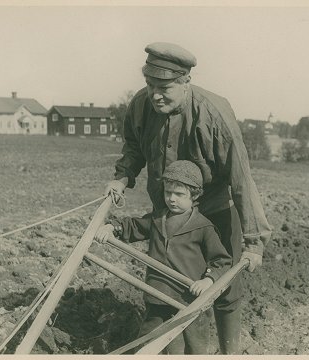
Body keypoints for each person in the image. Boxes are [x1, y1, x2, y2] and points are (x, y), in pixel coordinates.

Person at [104, 42, 272, 354]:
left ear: (185, 82)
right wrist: (123, 175)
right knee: (168, 286)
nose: (155, 94)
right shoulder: (141, 105)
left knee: (225, 288)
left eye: (164, 87)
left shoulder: (213, 115)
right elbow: (133, 146)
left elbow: (241, 178)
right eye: (150, 85)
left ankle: (229, 351)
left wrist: (254, 242)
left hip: (215, 209)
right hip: (168, 210)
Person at [96, 160, 232, 354]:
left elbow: (221, 260)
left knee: (194, 348)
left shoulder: (203, 227)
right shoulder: (157, 219)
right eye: (168, 192)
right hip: (157, 296)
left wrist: (208, 281)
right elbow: (134, 227)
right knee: (148, 342)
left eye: (179, 194)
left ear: (194, 195)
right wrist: (112, 228)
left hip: (190, 300)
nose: (172, 199)